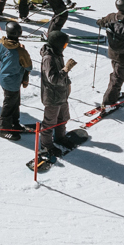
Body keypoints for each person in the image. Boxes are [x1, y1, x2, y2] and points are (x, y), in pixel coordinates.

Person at [37, 30, 76, 162]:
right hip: (52, 96)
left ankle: (60, 137)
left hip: (62, 94)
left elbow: (61, 75)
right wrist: (65, 70)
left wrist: (67, 81)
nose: (65, 47)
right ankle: (46, 145)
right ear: (57, 44)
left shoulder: (57, 53)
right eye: (64, 45)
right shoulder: (48, 58)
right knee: (49, 123)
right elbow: (53, 78)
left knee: (63, 117)